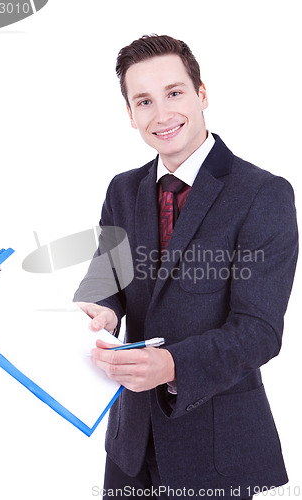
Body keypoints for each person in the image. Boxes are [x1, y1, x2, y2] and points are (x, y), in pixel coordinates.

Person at [74, 35, 298, 499]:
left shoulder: (263, 194)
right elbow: (106, 280)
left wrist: (172, 364)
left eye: (174, 93)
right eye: (144, 101)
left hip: (216, 449)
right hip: (129, 445)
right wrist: (103, 310)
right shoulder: (123, 190)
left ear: (201, 94)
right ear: (130, 114)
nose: (161, 114)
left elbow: (258, 330)